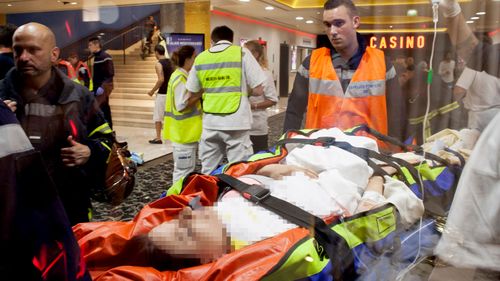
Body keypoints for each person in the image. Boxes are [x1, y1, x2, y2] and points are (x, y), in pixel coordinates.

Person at [147, 130, 424, 264]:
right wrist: (376, 183)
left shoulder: (224, 204)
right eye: (185, 232)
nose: (185, 215)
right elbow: (356, 222)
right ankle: (387, 163)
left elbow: (252, 178)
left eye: (176, 218)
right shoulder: (263, 248)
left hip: (299, 174)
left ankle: (375, 160)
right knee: (355, 164)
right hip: (336, 189)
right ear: (213, 259)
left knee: (309, 148)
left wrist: (276, 168)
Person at [0, 22, 114, 225]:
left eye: (33, 50)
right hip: (12, 216)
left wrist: (89, 152)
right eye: (18, 50)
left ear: (54, 54)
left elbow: (107, 141)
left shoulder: (79, 96)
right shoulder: (1, 97)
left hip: (69, 209)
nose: (24, 57)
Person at [283, 0, 406, 143]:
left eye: (339, 23)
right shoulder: (311, 63)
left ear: (355, 22)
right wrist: (287, 147)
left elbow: (396, 113)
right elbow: (294, 112)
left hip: (369, 153)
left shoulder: (381, 62)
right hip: (322, 153)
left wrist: (395, 149)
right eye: (327, 25)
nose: (332, 31)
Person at [0, 101, 91, 280]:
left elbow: (104, 138)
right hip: (39, 216)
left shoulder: (75, 94)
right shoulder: (5, 99)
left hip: (69, 199)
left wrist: (90, 151)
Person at [185, 25, 266, 174]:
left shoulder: (201, 57)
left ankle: (209, 195)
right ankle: (234, 196)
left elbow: (191, 91)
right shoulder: (241, 53)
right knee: (239, 171)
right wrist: (244, 89)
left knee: (208, 171)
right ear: (231, 39)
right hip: (236, 121)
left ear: (212, 40)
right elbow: (260, 89)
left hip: (210, 122)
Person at [163, 45, 201, 183]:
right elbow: (181, 105)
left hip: (184, 134)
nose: (196, 60)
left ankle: (179, 199)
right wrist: (200, 93)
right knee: (183, 173)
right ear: (188, 59)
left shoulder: (179, 76)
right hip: (183, 134)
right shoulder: (180, 79)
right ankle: (177, 199)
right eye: (195, 57)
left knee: (184, 172)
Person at [244, 40, 278, 153]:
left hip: (257, 126)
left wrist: (252, 106)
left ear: (256, 54)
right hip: (240, 127)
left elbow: (272, 100)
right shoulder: (239, 72)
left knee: (258, 159)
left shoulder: (265, 74)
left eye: (245, 53)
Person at [148, 44, 174, 144]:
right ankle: (172, 136)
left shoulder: (158, 64)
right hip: (171, 93)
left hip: (163, 94)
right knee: (171, 116)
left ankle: (158, 138)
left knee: (158, 116)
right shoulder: (171, 62)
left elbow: (161, 80)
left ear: (156, 52)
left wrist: (152, 91)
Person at [88, 36, 115, 128]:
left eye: (90, 45)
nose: (89, 47)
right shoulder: (96, 57)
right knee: (102, 109)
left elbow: (110, 74)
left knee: (103, 109)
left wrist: (102, 87)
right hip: (98, 88)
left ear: (97, 45)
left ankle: (109, 130)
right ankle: (106, 130)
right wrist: (94, 89)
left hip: (103, 88)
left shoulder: (105, 57)